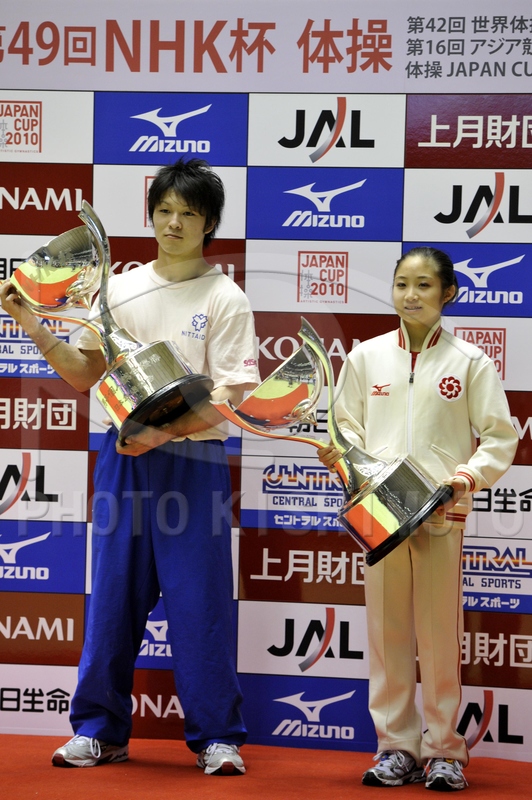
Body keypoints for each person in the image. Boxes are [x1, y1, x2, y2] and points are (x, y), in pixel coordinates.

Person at [0, 158, 260, 776]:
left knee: (200, 602)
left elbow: (232, 394)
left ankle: (217, 737)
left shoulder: (225, 297)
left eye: (188, 213)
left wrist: (163, 432)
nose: (174, 223)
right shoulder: (118, 290)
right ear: (151, 215)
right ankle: (99, 730)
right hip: (121, 458)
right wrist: (29, 321)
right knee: (113, 595)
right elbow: (86, 373)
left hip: (192, 461)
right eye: (164, 210)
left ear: (209, 224)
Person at [318, 247, 518, 792]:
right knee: (386, 635)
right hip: (379, 512)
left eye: (424, 285)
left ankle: (445, 749)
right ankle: (395, 748)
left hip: (439, 513)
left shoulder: (469, 361)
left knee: (437, 637)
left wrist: (465, 478)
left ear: (448, 292)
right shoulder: (366, 357)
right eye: (402, 283)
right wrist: (347, 457)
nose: (410, 295)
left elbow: (500, 435)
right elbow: (344, 425)